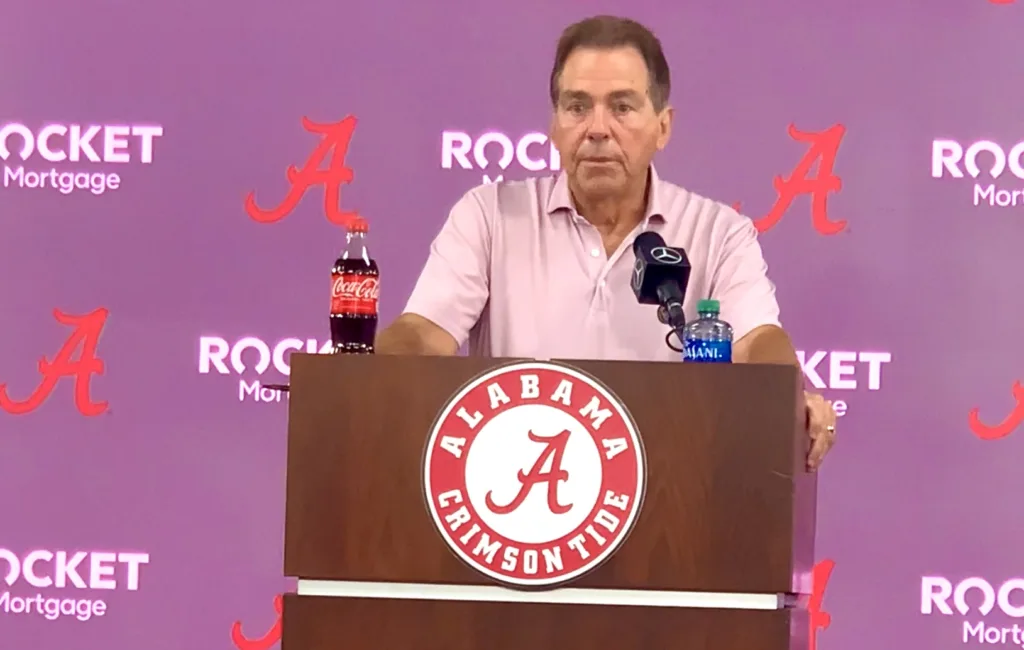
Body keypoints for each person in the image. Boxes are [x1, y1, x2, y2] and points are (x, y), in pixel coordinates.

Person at [376, 15, 836, 470]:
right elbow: (423, 332)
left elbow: (759, 340)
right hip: (511, 495)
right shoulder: (490, 215)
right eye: (577, 107)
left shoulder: (717, 232)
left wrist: (787, 394)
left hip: (669, 496)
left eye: (622, 107)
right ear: (555, 126)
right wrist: (375, 374)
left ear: (663, 127)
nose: (597, 129)